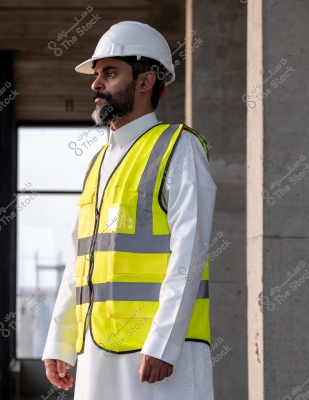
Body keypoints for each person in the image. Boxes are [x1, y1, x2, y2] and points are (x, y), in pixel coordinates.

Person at [42, 21, 217, 400]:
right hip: (97, 347)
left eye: (109, 72)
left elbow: (191, 249)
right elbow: (80, 258)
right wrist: (60, 339)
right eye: (96, 74)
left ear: (145, 81)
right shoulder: (99, 162)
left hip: (159, 355)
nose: (95, 84)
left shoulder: (179, 148)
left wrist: (165, 341)